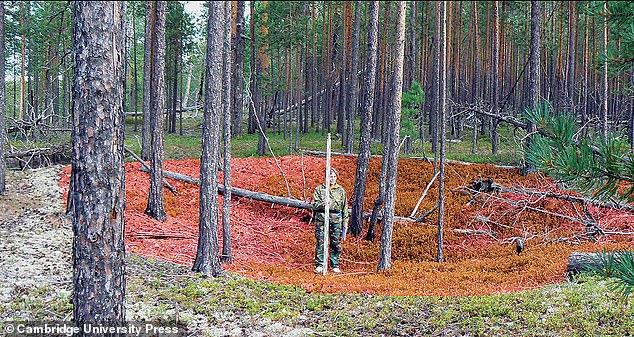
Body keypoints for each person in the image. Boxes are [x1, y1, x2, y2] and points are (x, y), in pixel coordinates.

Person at [312, 168, 349, 274]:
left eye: (333, 176)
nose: (332, 179)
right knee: (321, 242)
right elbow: (314, 205)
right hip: (322, 219)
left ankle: (335, 264)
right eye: (330, 176)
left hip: (336, 220)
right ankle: (320, 264)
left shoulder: (341, 191)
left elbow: (344, 209)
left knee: (336, 243)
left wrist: (345, 224)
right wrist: (323, 204)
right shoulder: (319, 189)